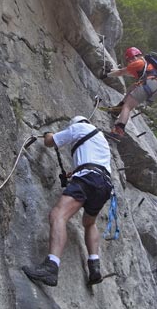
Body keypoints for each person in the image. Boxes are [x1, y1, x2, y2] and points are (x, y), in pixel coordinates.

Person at [22, 115, 113, 287]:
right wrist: (75, 172)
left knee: (58, 215)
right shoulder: (100, 139)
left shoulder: (79, 128)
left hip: (87, 179)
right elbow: (94, 162)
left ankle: (52, 266)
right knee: (89, 222)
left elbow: (51, 142)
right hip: (104, 184)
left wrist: (48, 134)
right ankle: (94, 265)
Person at [103, 46, 157, 137]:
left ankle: (118, 130)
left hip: (149, 84)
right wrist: (111, 70)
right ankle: (117, 110)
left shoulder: (138, 62)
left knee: (127, 106)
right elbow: (126, 73)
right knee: (131, 88)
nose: (130, 62)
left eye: (129, 60)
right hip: (155, 88)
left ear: (134, 57)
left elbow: (121, 72)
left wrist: (106, 75)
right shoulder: (146, 64)